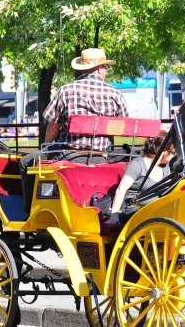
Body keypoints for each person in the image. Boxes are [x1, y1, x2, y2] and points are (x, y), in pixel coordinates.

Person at [19, 48, 128, 211]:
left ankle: (29, 209)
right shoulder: (116, 94)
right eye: (105, 67)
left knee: (25, 162)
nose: (106, 70)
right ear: (99, 68)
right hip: (101, 158)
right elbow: (123, 127)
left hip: (69, 156)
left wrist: (47, 145)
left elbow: (54, 125)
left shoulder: (65, 91)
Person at [107, 132, 175, 224]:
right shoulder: (137, 164)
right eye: (173, 153)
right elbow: (121, 189)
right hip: (135, 209)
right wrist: (114, 216)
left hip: (158, 210)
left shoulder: (166, 167)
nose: (174, 156)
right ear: (164, 152)